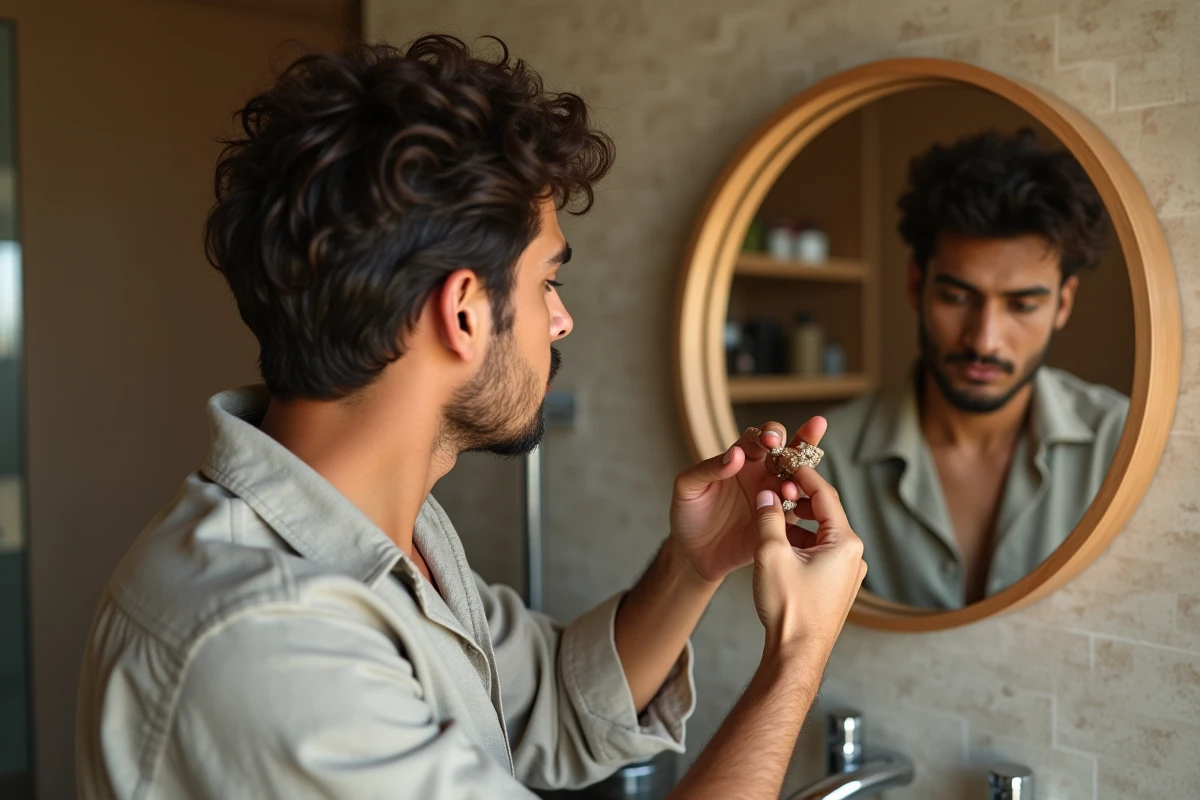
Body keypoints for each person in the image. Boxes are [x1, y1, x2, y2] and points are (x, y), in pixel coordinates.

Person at [75, 36, 867, 799]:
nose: (560, 322)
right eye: (545, 284)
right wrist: (798, 656)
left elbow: (554, 700)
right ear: (461, 312)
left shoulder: (393, 536)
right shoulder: (266, 642)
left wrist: (692, 567)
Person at [816, 128, 1127, 610]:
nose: (984, 340)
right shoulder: (829, 459)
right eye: (957, 298)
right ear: (916, 285)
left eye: (1022, 305)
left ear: (1063, 304)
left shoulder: (1124, 444)